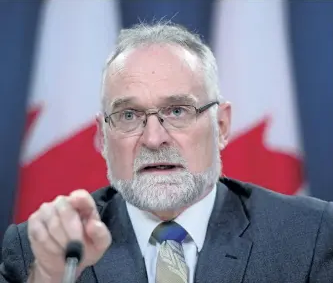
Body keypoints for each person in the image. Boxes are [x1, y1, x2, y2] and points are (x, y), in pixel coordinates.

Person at [1, 22, 333, 283]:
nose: (154, 138)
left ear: (222, 125)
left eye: (177, 111)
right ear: (103, 137)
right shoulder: (39, 253)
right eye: (129, 115)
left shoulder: (310, 236)